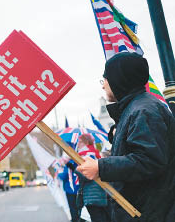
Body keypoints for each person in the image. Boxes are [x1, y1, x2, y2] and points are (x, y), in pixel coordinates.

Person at [76, 53, 175, 222]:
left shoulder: (143, 111)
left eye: (105, 80)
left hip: (150, 212)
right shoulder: (139, 108)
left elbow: (148, 161)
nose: (103, 86)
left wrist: (101, 167)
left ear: (119, 79)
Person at [74, 134, 109, 222]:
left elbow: (88, 175)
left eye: (80, 141)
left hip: (92, 193)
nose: (78, 144)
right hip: (98, 192)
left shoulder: (86, 155)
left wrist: (76, 170)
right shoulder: (94, 153)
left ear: (86, 142)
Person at [58, 147, 80, 222]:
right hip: (78, 188)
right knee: (78, 206)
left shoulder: (68, 165)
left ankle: (74, 220)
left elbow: (63, 176)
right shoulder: (76, 163)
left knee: (72, 207)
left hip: (70, 189)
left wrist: (59, 172)